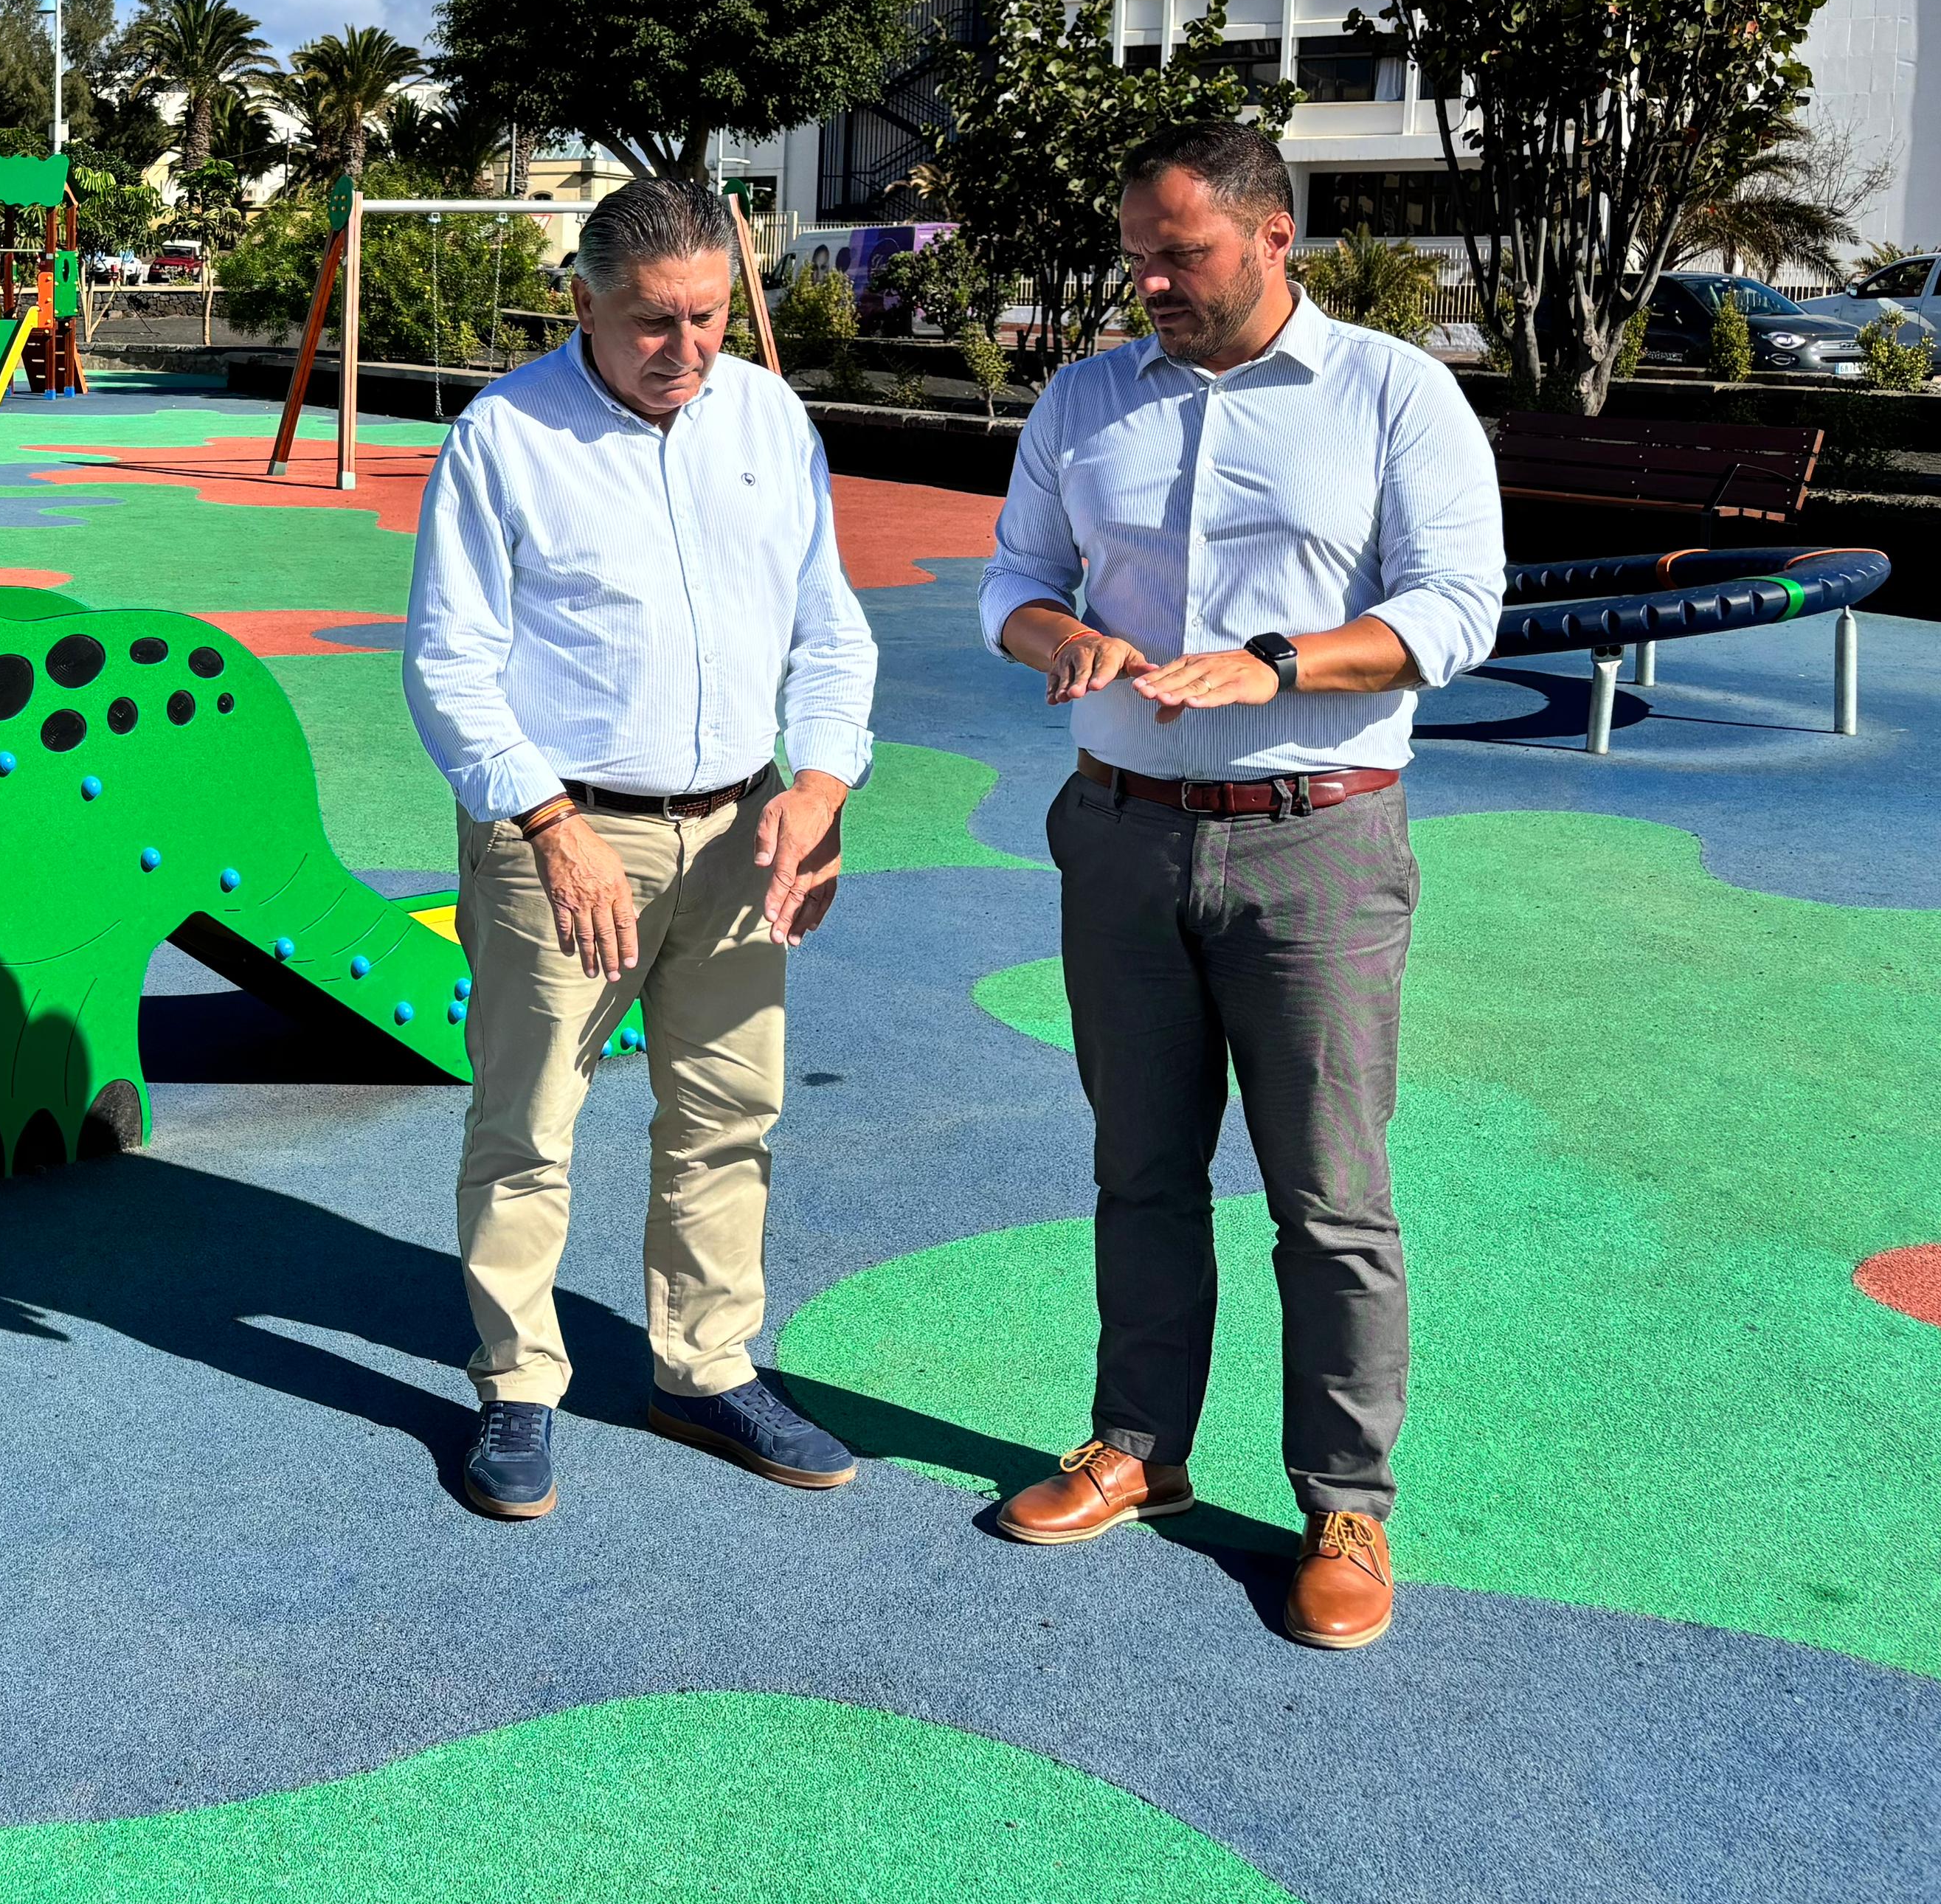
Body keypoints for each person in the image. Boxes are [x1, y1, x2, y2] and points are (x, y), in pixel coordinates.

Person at [979, 121, 1502, 1651]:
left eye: (1180, 252)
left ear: (1276, 236)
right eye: (1137, 248)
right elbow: (1013, 577)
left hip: (1317, 835)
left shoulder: (1393, 394)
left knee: (1326, 1200)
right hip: (1122, 831)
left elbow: (1456, 606)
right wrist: (1053, 639)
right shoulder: (1084, 398)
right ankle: (1137, 1446)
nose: (1147, 278)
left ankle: (1344, 1501)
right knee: (1138, 1168)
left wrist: (1276, 664)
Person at [406, 175, 877, 1520]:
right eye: (652, 323)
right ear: (584, 304)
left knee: (731, 1113)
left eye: (710, 317)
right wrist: (551, 826)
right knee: (528, 1123)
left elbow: (828, 632)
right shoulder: (504, 436)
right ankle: (516, 1385)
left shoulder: (770, 418)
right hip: (562, 832)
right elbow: (450, 666)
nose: (687, 350)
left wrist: (823, 788)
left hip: (744, 825)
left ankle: (704, 1366)